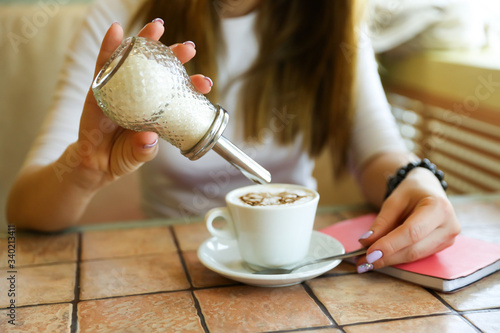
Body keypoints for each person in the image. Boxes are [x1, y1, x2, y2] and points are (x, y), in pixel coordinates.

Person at [6, 0, 460, 274]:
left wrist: (416, 181)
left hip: (292, 262)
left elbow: (378, 150)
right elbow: (24, 208)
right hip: (176, 265)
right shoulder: (123, 19)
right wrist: (85, 167)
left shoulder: (331, 18)